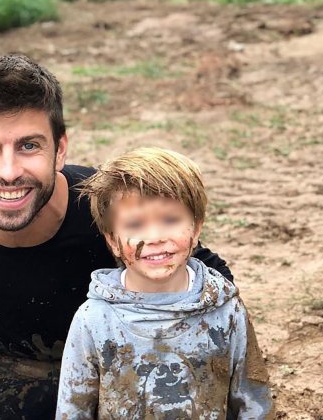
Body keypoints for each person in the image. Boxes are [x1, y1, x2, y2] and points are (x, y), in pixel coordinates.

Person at [0, 54, 234, 419]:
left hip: (109, 361)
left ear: (60, 150)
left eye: (29, 146)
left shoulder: (109, 209)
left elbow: (211, 278)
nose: (9, 172)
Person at [56, 147, 274, 419]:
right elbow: (73, 408)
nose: (155, 237)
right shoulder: (94, 319)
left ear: (196, 229)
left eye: (170, 220)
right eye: (135, 224)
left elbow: (253, 401)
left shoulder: (226, 312)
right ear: (112, 240)